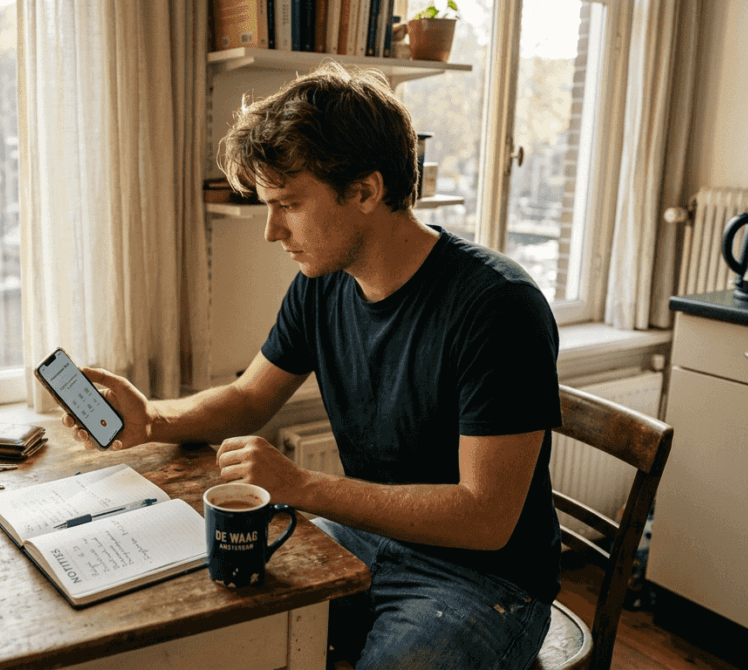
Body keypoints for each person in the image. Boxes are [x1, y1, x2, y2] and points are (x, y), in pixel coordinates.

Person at [54, 63, 562, 670]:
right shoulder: (323, 285)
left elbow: (485, 519)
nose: (273, 231)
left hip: (484, 581)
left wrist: (303, 488)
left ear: (367, 192)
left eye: (289, 204)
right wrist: (152, 418)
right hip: (368, 540)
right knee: (217, 629)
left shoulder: (497, 307)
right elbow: (248, 398)